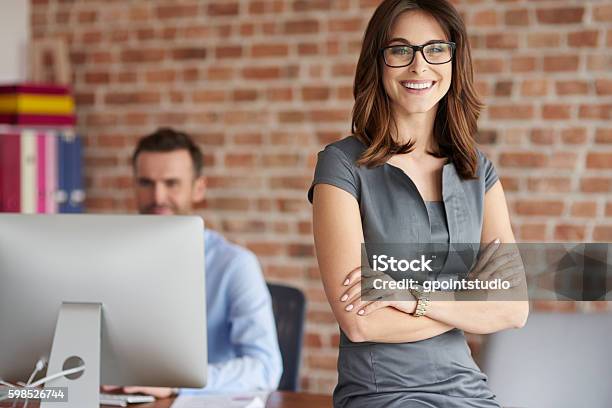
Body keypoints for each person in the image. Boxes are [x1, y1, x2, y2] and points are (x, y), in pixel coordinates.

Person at [309, 1, 528, 407]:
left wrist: (412, 299)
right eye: (400, 50)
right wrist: (470, 304)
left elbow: (512, 309)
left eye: (435, 49)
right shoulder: (341, 165)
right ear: (377, 61)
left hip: (468, 391)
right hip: (382, 393)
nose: (419, 66)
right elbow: (361, 322)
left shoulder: (477, 170)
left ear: (454, 59)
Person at [106, 127, 282, 397]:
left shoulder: (235, 265)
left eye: (171, 183)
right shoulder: (113, 260)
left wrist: (176, 382)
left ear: (199, 188)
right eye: (146, 183)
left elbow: (266, 368)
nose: (157, 197)